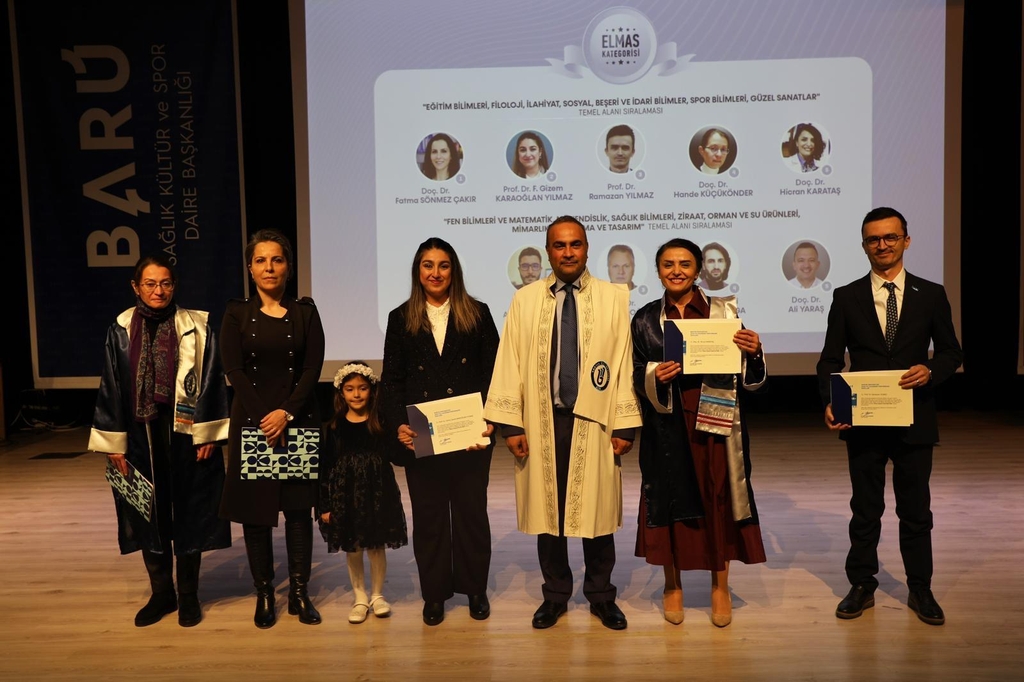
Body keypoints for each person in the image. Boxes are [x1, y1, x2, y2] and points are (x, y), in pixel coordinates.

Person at [484, 215, 642, 631]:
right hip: (542, 419)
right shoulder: (525, 300)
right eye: (559, 245)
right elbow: (510, 360)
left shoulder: (613, 298)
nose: (568, 252)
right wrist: (511, 425)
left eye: (575, 244)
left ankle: (601, 596)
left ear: (587, 249)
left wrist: (625, 423)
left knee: (597, 512)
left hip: (596, 420)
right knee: (548, 513)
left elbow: (623, 363)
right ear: (548, 251)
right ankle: (555, 595)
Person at [817, 207, 962, 626]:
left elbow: (952, 352)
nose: (882, 245)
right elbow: (830, 359)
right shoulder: (846, 297)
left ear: (906, 241)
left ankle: (920, 588)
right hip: (862, 419)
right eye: (873, 239)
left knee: (916, 511)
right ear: (864, 245)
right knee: (865, 509)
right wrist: (830, 400)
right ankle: (862, 584)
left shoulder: (930, 294)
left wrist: (931, 370)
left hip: (915, 418)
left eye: (890, 237)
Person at [630, 238, 767, 627]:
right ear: (658, 271)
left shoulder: (723, 312)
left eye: (685, 264)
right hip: (666, 423)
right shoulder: (644, 319)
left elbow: (749, 375)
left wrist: (754, 351)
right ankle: (671, 584)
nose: (676, 271)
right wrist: (654, 374)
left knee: (716, 498)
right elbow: (633, 371)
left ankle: (719, 585)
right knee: (669, 500)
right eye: (668, 264)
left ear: (698, 270)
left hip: (715, 422)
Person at [89, 254, 231, 628]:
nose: (158, 290)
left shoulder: (197, 326)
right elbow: (111, 384)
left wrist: (207, 432)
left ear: (174, 285)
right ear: (136, 287)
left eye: (165, 283)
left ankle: (189, 595)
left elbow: (212, 378)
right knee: (146, 512)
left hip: (185, 434)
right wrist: (114, 442)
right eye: (150, 284)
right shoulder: (120, 329)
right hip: (140, 435)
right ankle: (162, 593)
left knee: (189, 512)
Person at [381, 237, 500, 626]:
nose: (435, 273)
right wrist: (398, 423)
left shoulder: (478, 313)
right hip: (423, 438)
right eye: (428, 265)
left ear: (454, 271)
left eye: (443, 265)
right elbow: (392, 380)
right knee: (430, 519)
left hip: (469, 437)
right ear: (418, 271)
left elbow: (494, 373)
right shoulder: (400, 318)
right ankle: (434, 595)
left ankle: (475, 589)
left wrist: (491, 419)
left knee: (471, 516)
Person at [219, 229, 326, 628]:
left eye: (277, 260)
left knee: (298, 511)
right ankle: (264, 592)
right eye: (261, 260)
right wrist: (267, 417)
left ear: (288, 267)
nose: (269, 267)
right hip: (253, 424)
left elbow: (312, 369)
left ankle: (299, 591)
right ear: (250, 268)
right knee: (256, 513)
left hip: (296, 422)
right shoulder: (235, 314)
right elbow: (234, 370)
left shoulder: (306, 313)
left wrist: (286, 414)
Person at [319, 362, 408, 624]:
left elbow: (396, 456)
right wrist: (324, 505)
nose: (356, 394)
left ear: (372, 390)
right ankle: (359, 597)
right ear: (341, 393)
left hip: (377, 492)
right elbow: (325, 467)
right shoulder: (334, 427)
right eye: (350, 389)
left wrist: (406, 442)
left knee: (376, 545)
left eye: (362, 388)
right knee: (354, 546)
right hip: (345, 495)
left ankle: (377, 595)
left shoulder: (380, 423)